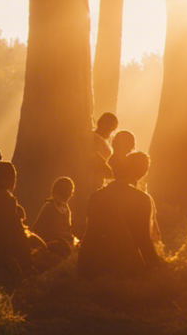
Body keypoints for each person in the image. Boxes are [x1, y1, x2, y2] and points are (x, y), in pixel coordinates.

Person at [77, 151, 161, 279]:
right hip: (120, 270)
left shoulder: (96, 195)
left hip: (86, 266)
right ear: (144, 173)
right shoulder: (142, 199)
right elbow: (144, 241)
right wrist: (160, 269)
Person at [32, 176, 76, 256]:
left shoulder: (66, 209)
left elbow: (67, 231)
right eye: (68, 189)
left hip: (64, 246)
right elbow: (37, 230)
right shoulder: (50, 207)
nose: (70, 193)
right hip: (52, 247)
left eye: (71, 190)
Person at [92, 112, 118, 184]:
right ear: (101, 124)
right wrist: (103, 165)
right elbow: (91, 154)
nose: (111, 131)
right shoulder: (92, 138)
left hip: (98, 179)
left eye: (114, 128)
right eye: (110, 127)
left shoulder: (105, 142)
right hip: (90, 176)